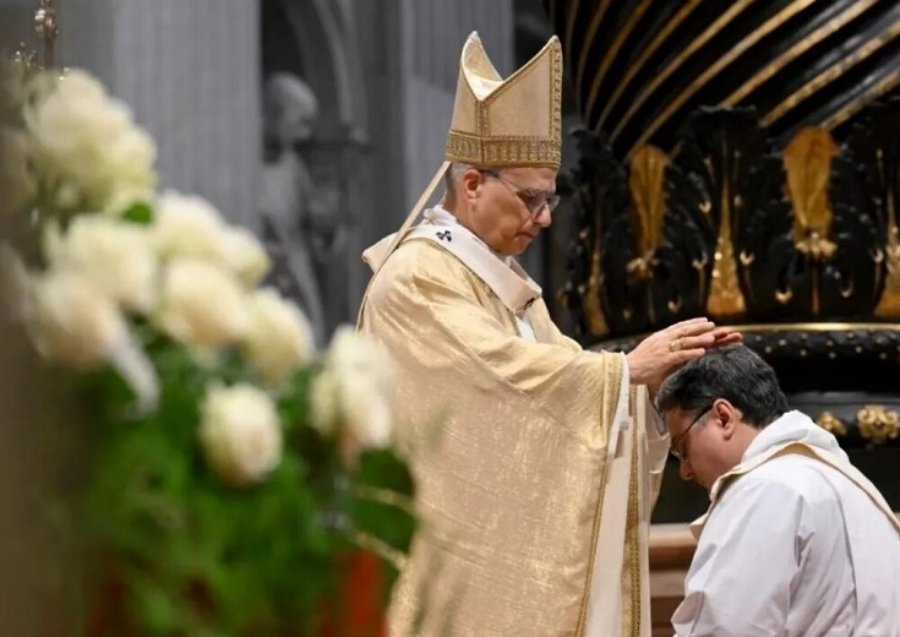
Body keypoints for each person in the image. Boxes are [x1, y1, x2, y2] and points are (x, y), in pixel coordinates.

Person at [357, 32, 737, 636]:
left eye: (550, 198)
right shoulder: (418, 279)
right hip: (446, 579)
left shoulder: (506, 284)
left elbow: (563, 380)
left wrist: (649, 386)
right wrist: (622, 371)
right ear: (474, 184)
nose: (545, 218)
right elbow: (503, 384)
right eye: (531, 198)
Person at [656, 345, 900, 637]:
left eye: (682, 449)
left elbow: (725, 628)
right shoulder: (851, 485)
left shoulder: (763, 489)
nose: (685, 471)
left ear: (723, 417)